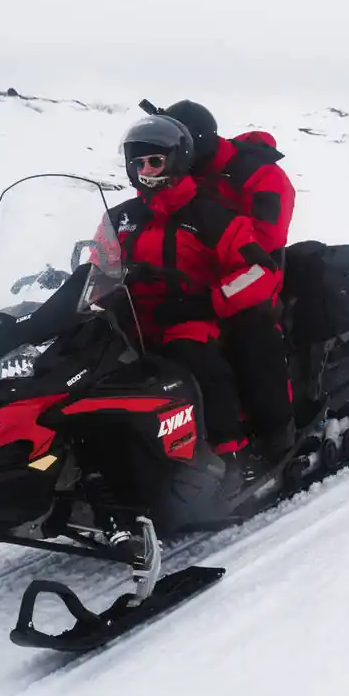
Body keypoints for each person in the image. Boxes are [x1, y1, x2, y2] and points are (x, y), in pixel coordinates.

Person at [108, 115, 283, 511]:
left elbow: (259, 271)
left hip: (192, 318)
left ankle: (230, 453)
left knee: (195, 362)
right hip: (128, 322)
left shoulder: (212, 216)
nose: (146, 172)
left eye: (154, 162)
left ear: (177, 159)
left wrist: (210, 300)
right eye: (139, 164)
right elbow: (98, 265)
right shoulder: (120, 218)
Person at [160, 99, 298, 462]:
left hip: (250, 278)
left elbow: (264, 243)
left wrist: (210, 234)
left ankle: (274, 430)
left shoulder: (258, 173)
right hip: (196, 276)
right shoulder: (186, 173)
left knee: (252, 332)